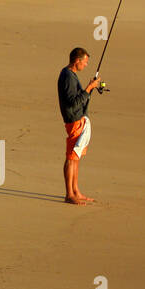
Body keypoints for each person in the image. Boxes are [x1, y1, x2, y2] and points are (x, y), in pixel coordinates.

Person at [58, 47, 100, 205]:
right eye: (85, 62)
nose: (86, 65)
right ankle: (69, 194)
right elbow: (72, 103)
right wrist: (89, 89)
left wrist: (89, 89)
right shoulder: (67, 76)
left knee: (76, 158)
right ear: (77, 61)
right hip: (74, 120)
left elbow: (77, 99)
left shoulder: (71, 75)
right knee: (71, 158)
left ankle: (75, 191)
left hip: (79, 120)